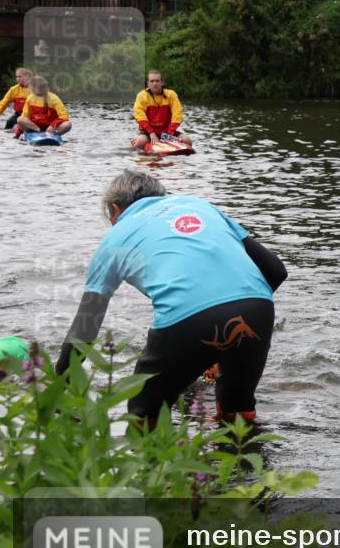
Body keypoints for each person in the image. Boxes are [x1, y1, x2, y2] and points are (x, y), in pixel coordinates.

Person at [55, 169, 287, 423]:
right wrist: (226, 330)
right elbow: (276, 271)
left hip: (188, 318)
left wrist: (59, 387)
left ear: (115, 209)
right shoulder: (199, 206)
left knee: (142, 414)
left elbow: (85, 328)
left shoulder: (114, 239)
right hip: (258, 307)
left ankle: (154, 459)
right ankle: (239, 455)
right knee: (236, 413)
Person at [131, 70, 192, 149]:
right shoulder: (141, 96)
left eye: (157, 81)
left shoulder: (171, 95)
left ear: (162, 83)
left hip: (168, 132)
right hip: (149, 133)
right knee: (140, 142)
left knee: (187, 141)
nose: (155, 83)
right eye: (152, 81)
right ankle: (137, 141)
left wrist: (169, 135)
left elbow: (177, 115)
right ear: (148, 83)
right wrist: (152, 133)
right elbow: (139, 116)